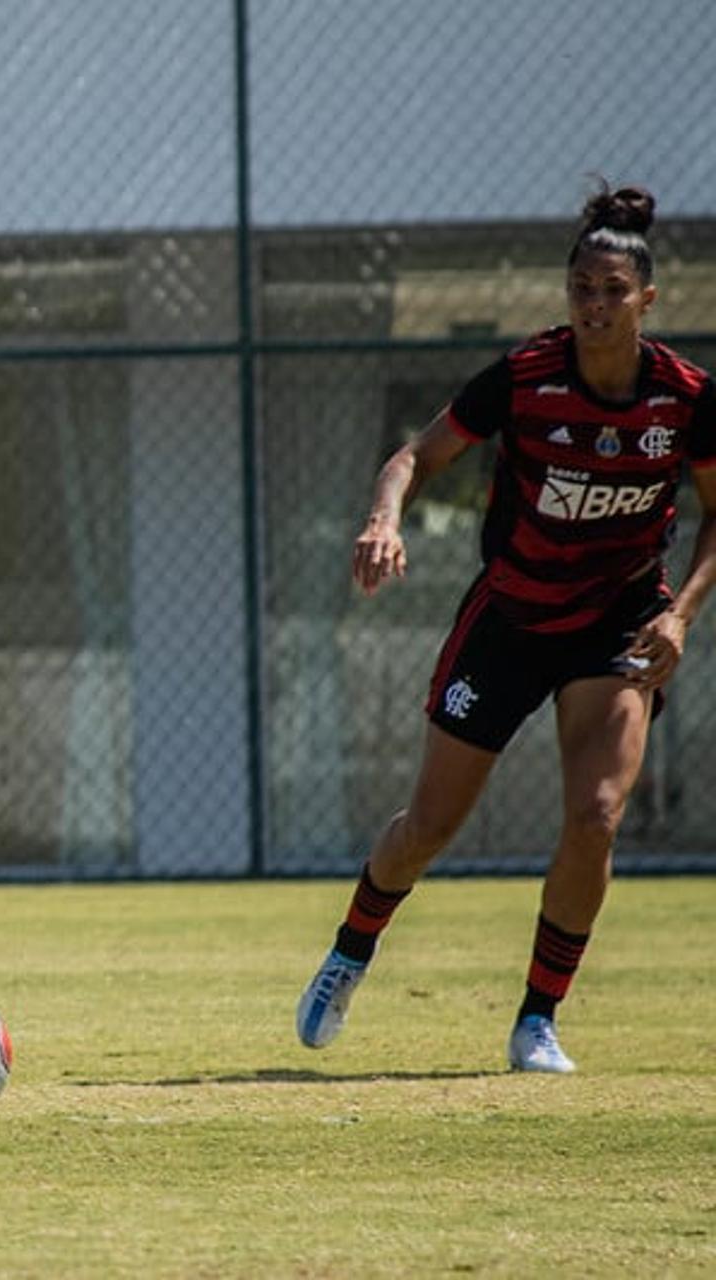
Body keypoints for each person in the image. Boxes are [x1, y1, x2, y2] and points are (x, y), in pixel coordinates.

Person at [296, 183, 716, 1073]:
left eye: (612, 291)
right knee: (432, 826)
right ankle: (350, 952)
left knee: (596, 816)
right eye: (581, 290)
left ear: (647, 300)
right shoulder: (527, 377)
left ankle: (537, 1020)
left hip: (620, 626)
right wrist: (384, 519)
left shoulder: (684, 399)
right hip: (511, 620)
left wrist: (680, 615)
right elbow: (415, 455)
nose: (595, 306)